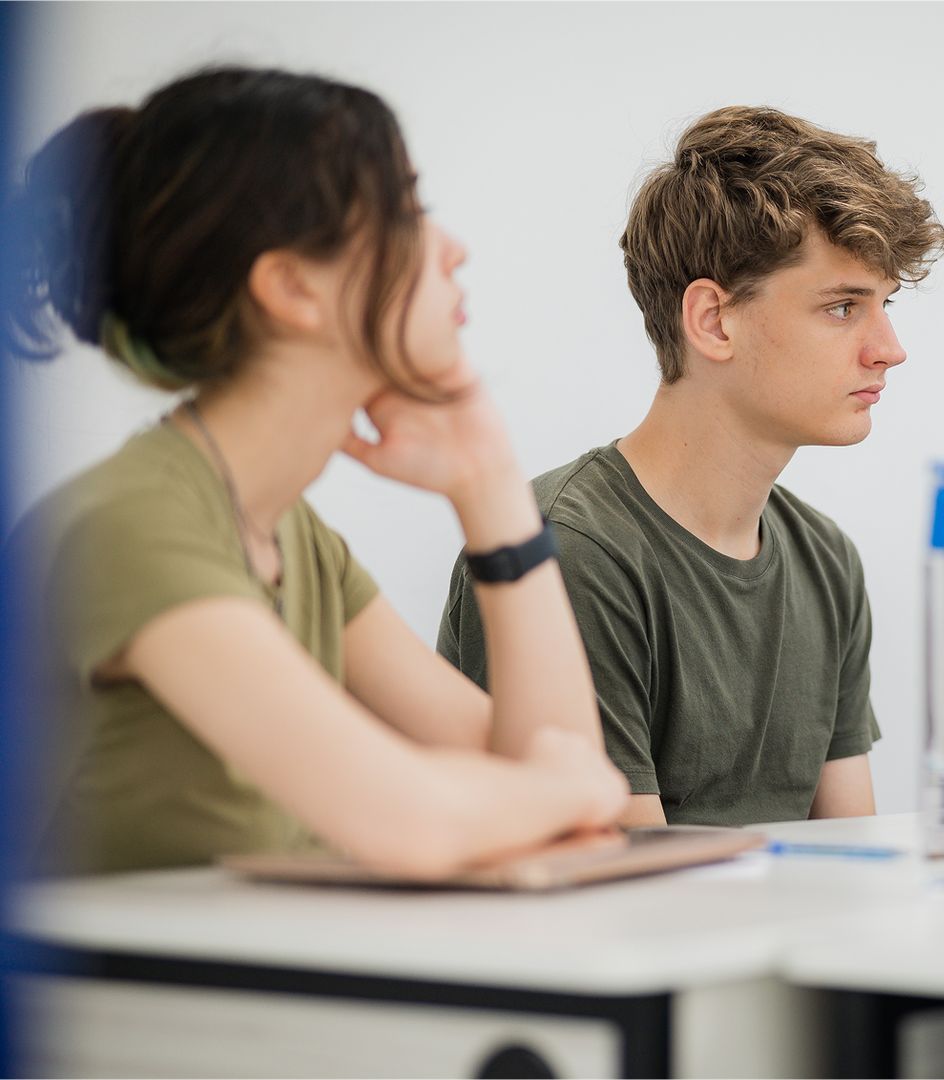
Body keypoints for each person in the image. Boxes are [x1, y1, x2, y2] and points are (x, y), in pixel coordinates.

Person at [7, 67, 628, 877]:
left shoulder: (294, 538)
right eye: (408, 211)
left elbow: (555, 770)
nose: (452, 250)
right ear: (293, 287)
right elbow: (412, 820)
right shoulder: (129, 526)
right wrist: (563, 789)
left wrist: (491, 485)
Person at [438, 107, 944, 827]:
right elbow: (634, 895)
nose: (889, 348)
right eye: (842, 308)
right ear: (713, 320)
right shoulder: (571, 552)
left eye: (886, 306)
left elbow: (852, 861)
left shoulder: (826, 562)